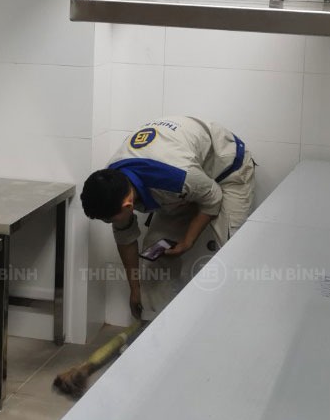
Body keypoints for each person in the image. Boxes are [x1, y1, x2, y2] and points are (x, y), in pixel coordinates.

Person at [81, 116, 256, 318]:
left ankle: (230, 323)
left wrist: (187, 242)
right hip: (188, 179)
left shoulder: (174, 177)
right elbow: (126, 238)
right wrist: (135, 289)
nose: (112, 223)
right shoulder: (111, 184)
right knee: (154, 259)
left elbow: (213, 197)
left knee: (229, 253)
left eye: (111, 220)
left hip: (228, 170)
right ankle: (159, 326)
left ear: (128, 205)